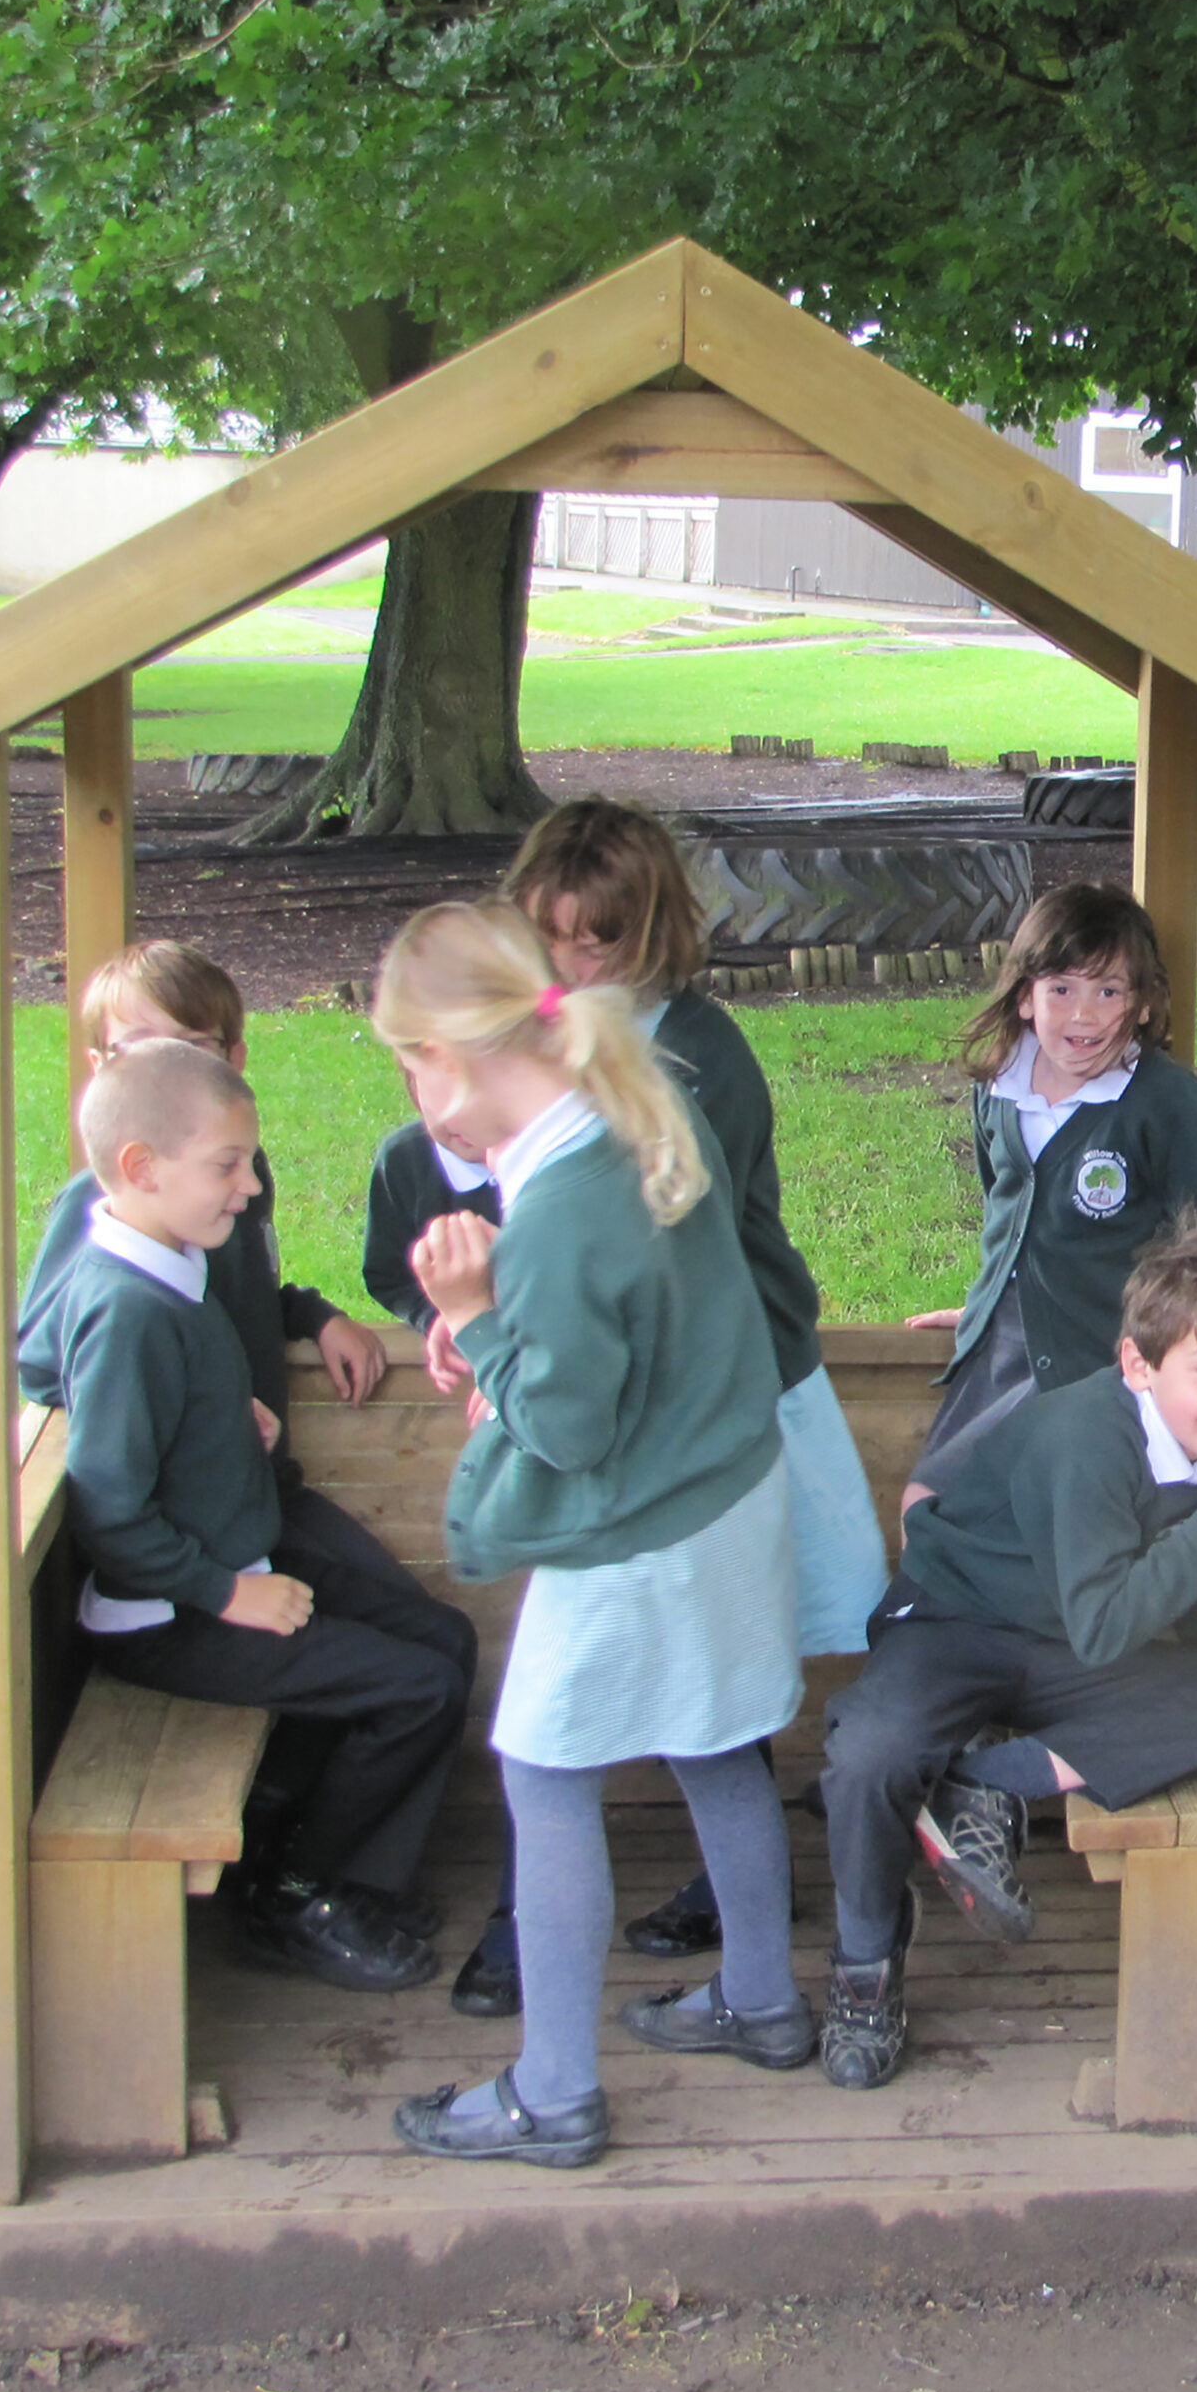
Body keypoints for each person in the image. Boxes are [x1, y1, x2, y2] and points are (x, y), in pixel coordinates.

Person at [377, 901, 808, 2170]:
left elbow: (565, 1429)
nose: (414, 1097)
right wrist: (509, 1304)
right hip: (730, 1492)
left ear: (452, 1056)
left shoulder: (560, 1207)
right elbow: (638, 1302)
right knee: (720, 1740)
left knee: (547, 1779)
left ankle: (554, 2089)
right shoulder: (632, 1109)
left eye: (408, 1064)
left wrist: (479, 1310)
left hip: (639, 1540)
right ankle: (766, 2000)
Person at [458, 797, 886, 1991]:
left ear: (656, 932)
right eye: (555, 937)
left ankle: (725, 1915)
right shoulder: (535, 1042)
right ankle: (590, 1911)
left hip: (717, 1390)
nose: (577, 961)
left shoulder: (693, 1057)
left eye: (604, 939)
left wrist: (514, 1342)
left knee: (722, 1665)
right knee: (617, 1676)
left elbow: (647, 1257)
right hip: (616, 1389)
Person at [19, 945, 479, 1984]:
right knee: (410, 1686)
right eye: (231, 1165)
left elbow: (213, 1346)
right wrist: (228, 1591)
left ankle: (294, 1851)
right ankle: (298, 1894)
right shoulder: (123, 1291)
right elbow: (104, 1496)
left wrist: (294, 1338)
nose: (251, 1182)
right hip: (180, 1599)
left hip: (245, 1524)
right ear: (141, 1161)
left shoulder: (183, 1243)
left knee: (440, 1643)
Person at [816, 1220, 1197, 2090]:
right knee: (872, 1755)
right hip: (960, 1622)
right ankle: (864, 1967)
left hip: (1079, 1637)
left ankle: (992, 1783)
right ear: (1138, 1366)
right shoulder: (1085, 1438)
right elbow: (1111, 1623)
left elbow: (1182, 1617)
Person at [902, 882, 1197, 1506]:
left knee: (1052, 1522)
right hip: (1011, 1353)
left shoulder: (1161, 1102)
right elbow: (1009, 1213)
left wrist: (1181, 1347)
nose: (1084, 1014)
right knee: (927, 1507)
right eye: (1062, 989)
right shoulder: (998, 1089)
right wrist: (995, 1302)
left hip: (1107, 1363)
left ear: (1144, 1006)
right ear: (1025, 998)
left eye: (1108, 991)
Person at [363, 1087, 502, 1335]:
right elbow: (389, 1275)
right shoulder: (403, 1159)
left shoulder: (563, 1160)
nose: (462, 1116)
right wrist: (440, 1319)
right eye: (442, 1095)